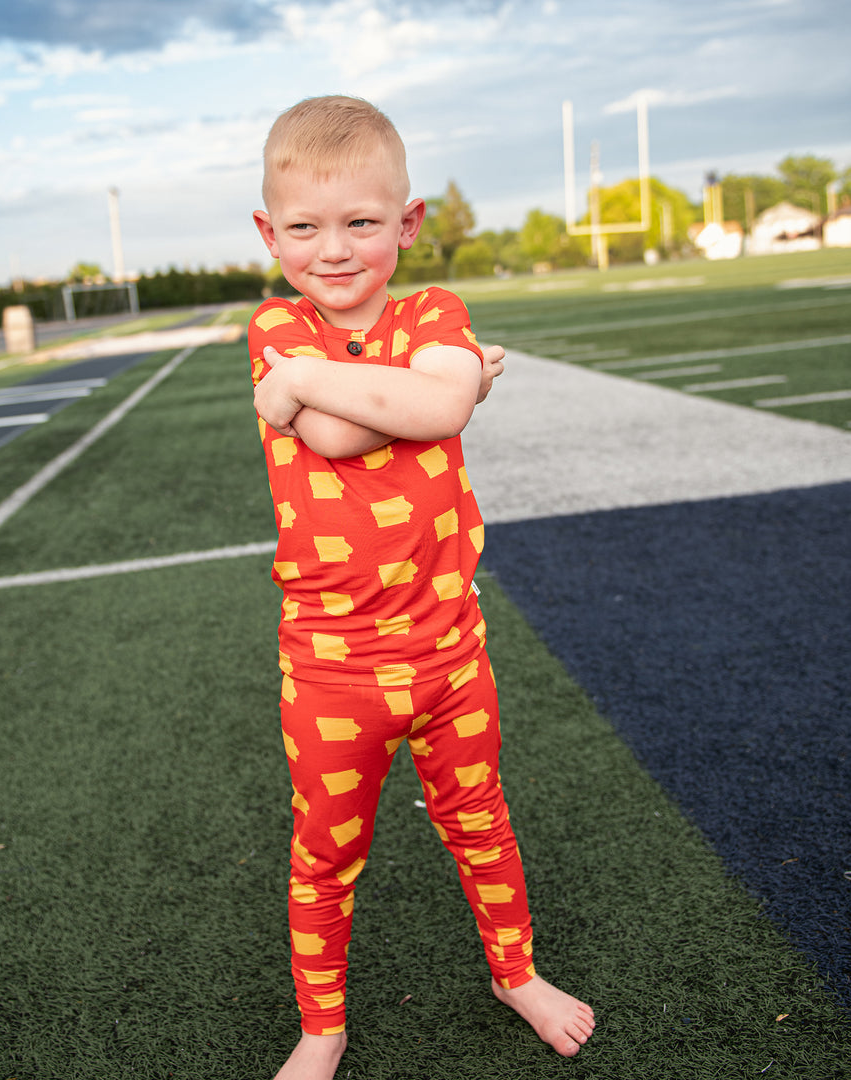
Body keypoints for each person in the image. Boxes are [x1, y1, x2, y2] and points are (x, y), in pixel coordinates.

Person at [248, 95, 595, 1080]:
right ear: (270, 234)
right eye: (307, 227)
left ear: (407, 223)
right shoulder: (277, 322)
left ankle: (515, 971)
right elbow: (338, 433)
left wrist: (404, 391)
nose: (336, 249)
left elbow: (417, 409)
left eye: (363, 221)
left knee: (481, 816)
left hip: (450, 649)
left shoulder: (432, 312)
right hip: (330, 669)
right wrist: (442, 393)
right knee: (325, 856)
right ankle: (324, 1026)